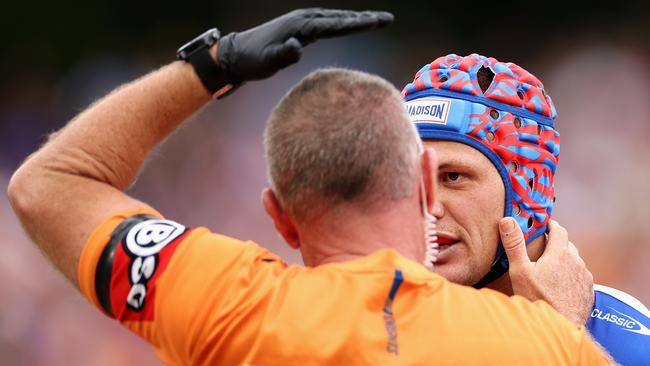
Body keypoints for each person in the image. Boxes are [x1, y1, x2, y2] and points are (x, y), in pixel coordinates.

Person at [8, 9, 611, 365]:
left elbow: (49, 184)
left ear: (279, 216)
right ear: (421, 182)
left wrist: (214, 64)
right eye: (442, 176)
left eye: (464, 176)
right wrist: (568, 332)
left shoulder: (230, 307)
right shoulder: (540, 340)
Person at [401, 53, 650, 365]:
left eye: (453, 177)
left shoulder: (631, 338)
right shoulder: (364, 327)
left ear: (524, 189)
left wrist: (562, 336)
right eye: (412, 178)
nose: (427, 207)